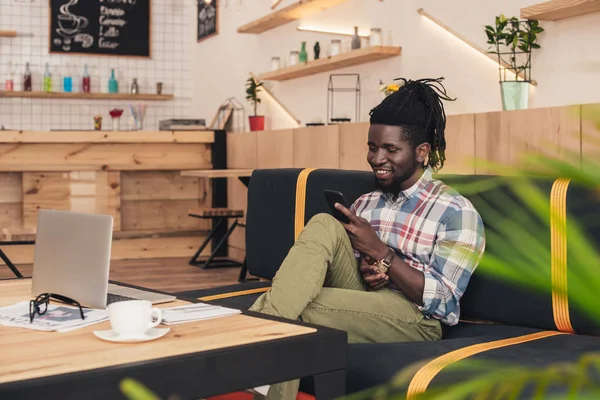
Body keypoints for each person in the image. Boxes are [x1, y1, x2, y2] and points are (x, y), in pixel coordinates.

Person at [249, 77, 486, 400]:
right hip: (367, 300)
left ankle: (247, 345)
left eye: (390, 149)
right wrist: (369, 268)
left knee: (302, 308)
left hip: (417, 319)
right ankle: (252, 344)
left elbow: (445, 303)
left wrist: (382, 253)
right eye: (372, 147)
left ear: (421, 152)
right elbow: (361, 270)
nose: (376, 158)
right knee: (324, 223)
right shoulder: (367, 203)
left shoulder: (455, 212)